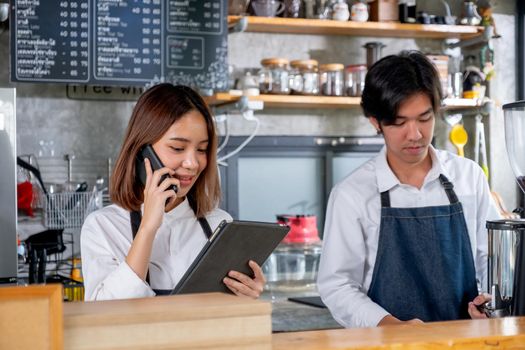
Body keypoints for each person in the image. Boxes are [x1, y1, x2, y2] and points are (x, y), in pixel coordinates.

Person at [317, 51, 500, 328]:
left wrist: (489, 304)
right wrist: (390, 326)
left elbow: (490, 263)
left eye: (424, 118)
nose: (414, 134)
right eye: (399, 122)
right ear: (375, 122)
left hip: (467, 341)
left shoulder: (468, 177)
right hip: (388, 345)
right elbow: (338, 286)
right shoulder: (352, 194)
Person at [81, 84, 265, 301]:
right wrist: (148, 227)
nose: (192, 163)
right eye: (178, 148)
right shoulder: (103, 226)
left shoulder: (220, 225)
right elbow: (102, 312)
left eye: (202, 150)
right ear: (143, 151)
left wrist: (247, 296)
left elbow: (228, 318)